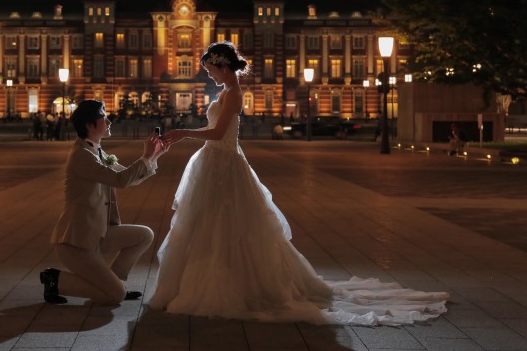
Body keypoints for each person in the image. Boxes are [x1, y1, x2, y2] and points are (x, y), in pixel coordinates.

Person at [151, 41, 449, 326]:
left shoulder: (233, 94)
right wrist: (185, 134)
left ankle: (229, 284)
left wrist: (184, 132)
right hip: (215, 163)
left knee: (224, 224)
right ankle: (213, 280)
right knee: (212, 224)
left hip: (224, 164)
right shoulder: (226, 91)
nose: (208, 74)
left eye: (210, 69)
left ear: (223, 66)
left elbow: (218, 134)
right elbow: (214, 130)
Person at [40, 99, 169, 305]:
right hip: (76, 243)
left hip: (98, 234)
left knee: (145, 235)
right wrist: (145, 155)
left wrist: (153, 158)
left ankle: (113, 281)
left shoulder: (98, 152)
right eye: (104, 116)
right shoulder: (81, 155)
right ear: (89, 125)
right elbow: (121, 180)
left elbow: (127, 177)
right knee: (115, 296)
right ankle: (55, 279)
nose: (109, 121)